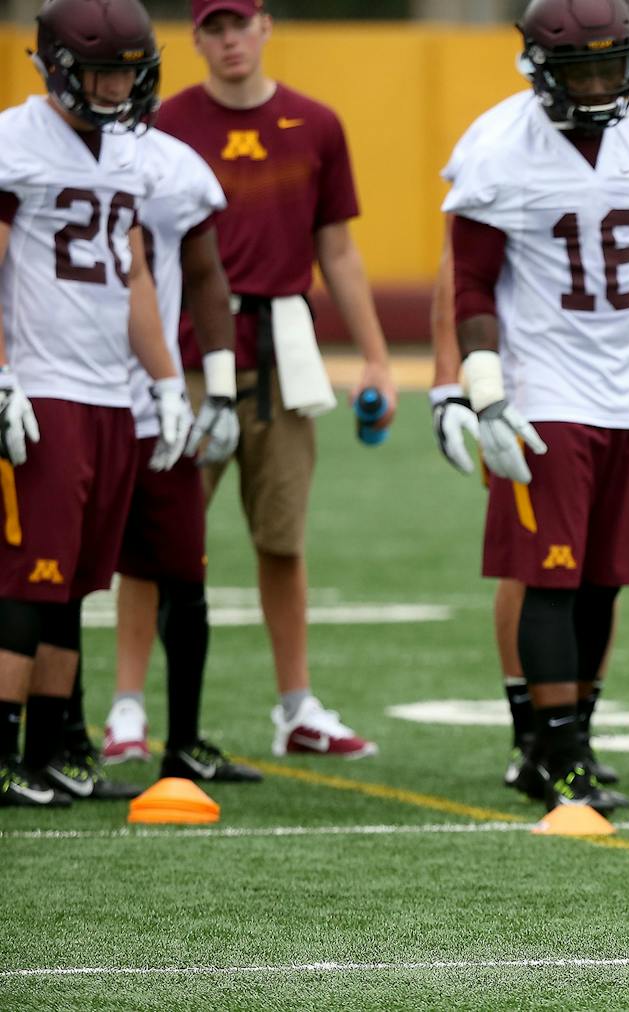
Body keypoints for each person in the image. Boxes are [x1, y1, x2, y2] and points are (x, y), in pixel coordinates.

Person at [442, 0, 629, 813]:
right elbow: (468, 282)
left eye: (611, 65)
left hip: (625, 396)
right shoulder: (498, 148)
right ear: (539, 66)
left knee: (605, 582)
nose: (599, 83)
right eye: (582, 69)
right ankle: (552, 751)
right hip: (543, 394)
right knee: (551, 580)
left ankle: (575, 742)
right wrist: (486, 396)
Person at [150, 0, 397, 759]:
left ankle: (296, 704)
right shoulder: (163, 126)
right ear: (194, 38)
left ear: (264, 27)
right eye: (215, 28)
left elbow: (339, 250)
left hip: (283, 352)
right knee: (154, 540)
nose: (230, 41)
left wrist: (378, 357)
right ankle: (128, 709)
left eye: (241, 24)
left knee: (282, 538)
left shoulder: (315, 124)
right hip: (189, 351)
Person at [0, 0, 191, 806]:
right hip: (43, 386)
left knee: (77, 582)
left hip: (110, 390)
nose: (116, 87)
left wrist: (169, 379)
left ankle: (48, 751)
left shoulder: (128, 153)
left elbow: (135, 272)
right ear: (54, 67)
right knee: (25, 577)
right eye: (100, 71)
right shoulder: (16, 141)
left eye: (127, 70)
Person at [99, 120, 261, 784]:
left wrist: (217, 389)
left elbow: (203, 274)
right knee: (57, 580)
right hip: (74, 395)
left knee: (184, 574)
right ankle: (57, 741)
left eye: (122, 71)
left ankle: (185, 739)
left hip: (158, 400)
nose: (110, 85)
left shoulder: (173, 166)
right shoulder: (26, 151)